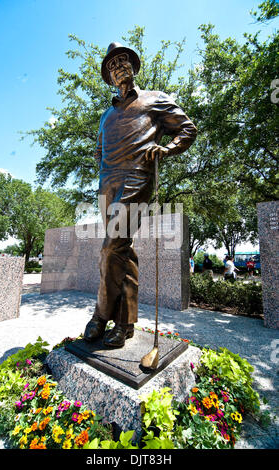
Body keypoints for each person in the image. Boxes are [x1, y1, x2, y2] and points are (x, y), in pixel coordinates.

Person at [83, 42, 197, 347]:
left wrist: (167, 149)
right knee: (122, 250)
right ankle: (125, 324)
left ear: (133, 66)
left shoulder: (155, 100)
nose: (118, 66)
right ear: (108, 76)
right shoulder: (106, 115)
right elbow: (98, 151)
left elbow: (187, 129)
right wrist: (105, 171)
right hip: (108, 183)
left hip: (137, 178)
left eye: (123, 61)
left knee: (111, 248)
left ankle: (100, 315)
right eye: (112, 65)